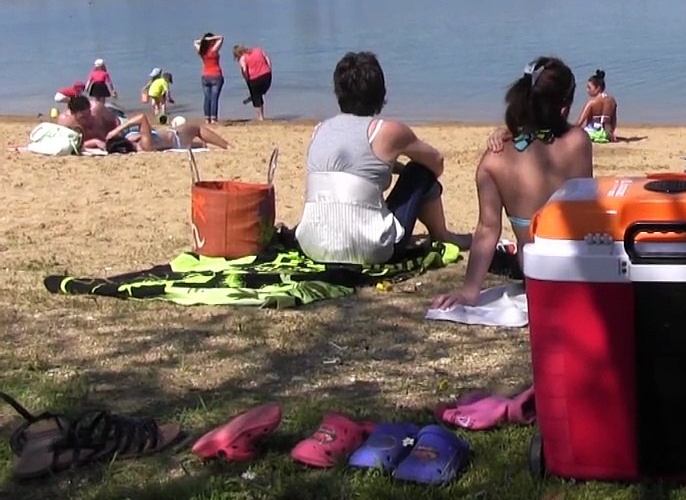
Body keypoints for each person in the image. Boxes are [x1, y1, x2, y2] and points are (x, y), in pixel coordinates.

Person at [433, 56, 593, 309]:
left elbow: (487, 229)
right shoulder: (579, 143)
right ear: (564, 108)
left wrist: (469, 291)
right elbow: (586, 214)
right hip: (579, 274)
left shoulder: (492, 162)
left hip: (535, 277)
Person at [295, 52, 471, 266]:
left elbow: (353, 170)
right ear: (380, 93)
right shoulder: (388, 131)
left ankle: (441, 233)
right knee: (420, 171)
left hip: (312, 245)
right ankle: (442, 235)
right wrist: (404, 169)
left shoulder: (320, 130)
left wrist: (391, 166)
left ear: (338, 92)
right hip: (370, 250)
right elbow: (437, 162)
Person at [104, 113, 230, 152]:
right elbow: (142, 117)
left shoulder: (137, 143)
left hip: (174, 143)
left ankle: (201, 145)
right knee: (197, 129)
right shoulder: (144, 144)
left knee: (199, 144)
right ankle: (227, 146)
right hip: (177, 137)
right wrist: (118, 129)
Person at [574, 68, 618, 143]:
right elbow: (613, 120)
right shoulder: (612, 100)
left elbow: (579, 123)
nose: (587, 90)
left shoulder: (591, 102)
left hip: (593, 133)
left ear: (598, 88)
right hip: (607, 134)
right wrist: (611, 133)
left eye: (589, 87)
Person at [233, 44, 273, 122]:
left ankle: (260, 117)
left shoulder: (243, 58)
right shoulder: (258, 50)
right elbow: (268, 60)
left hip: (254, 78)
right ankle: (253, 96)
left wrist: (247, 79)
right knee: (261, 92)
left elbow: (244, 70)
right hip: (266, 75)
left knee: (256, 97)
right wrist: (269, 70)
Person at [195, 32, 225, 124]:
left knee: (207, 98)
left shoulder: (202, 51)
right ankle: (213, 118)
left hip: (205, 76)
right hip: (216, 75)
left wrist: (204, 40)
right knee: (214, 98)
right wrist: (211, 39)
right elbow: (221, 38)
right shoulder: (213, 50)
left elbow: (195, 42)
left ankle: (207, 118)